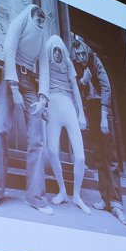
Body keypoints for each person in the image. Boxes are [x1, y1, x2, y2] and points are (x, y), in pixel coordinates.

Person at [0, 4, 52, 214]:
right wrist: (14, 89)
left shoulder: (42, 35)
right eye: (38, 20)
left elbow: (44, 66)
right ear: (31, 17)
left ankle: (35, 197)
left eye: (43, 21)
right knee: (1, 129)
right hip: (10, 77)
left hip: (29, 81)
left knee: (37, 138)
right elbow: (9, 51)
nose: (40, 24)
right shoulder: (19, 22)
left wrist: (43, 99)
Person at [70, 36, 126, 226]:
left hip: (103, 111)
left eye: (82, 53)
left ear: (86, 50)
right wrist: (83, 81)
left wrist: (104, 117)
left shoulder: (95, 60)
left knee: (110, 157)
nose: (80, 57)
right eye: (77, 55)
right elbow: (76, 88)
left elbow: (106, 87)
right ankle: (105, 199)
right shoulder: (77, 65)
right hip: (92, 111)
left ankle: (116, 203)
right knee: (98, 156)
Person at [39, 35, 91, 214]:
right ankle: (62, 191)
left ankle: (76, 195)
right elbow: (42, 82)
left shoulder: (68, 63)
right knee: (52, 150)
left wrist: (81, 113)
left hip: (68, 105)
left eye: (59, 50)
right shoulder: (45, 62)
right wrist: (43, 105)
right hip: (52, 104)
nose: (57, 54)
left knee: (81, 157)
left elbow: (75, 87)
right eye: (54, 50)